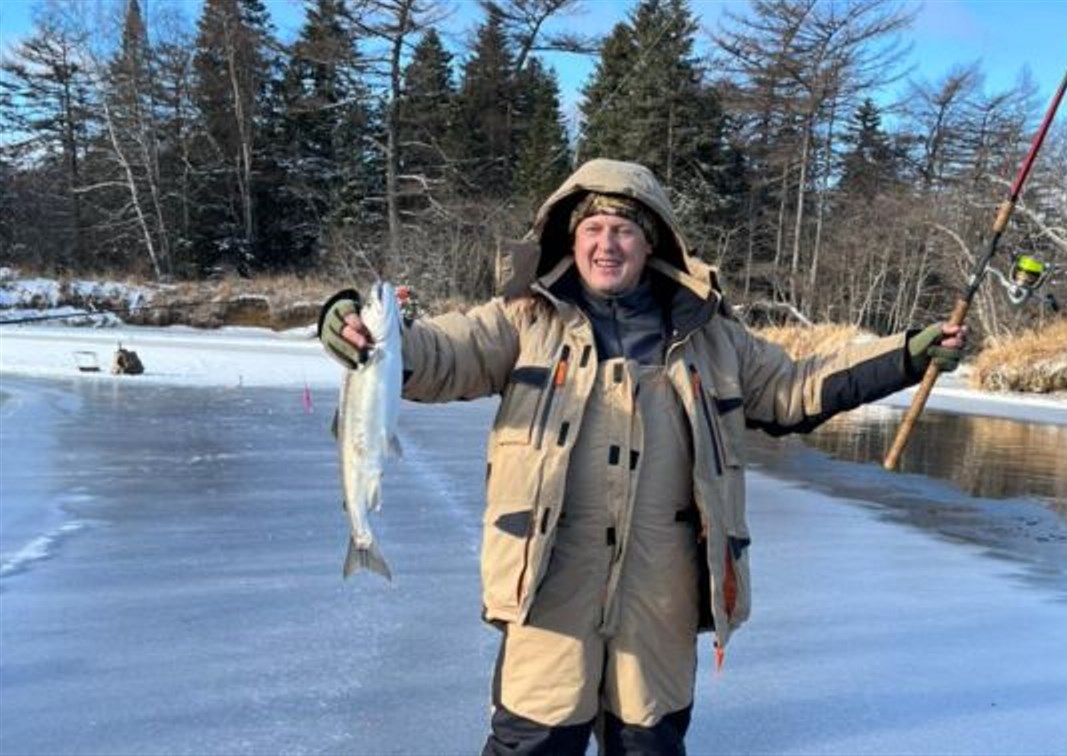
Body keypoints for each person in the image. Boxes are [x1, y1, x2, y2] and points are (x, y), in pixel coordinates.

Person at [318, 159, 966, 755]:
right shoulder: (524, 320)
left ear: (650, 241)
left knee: (649, 744)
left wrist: (906, 355)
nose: (607, 243)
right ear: (571, 240)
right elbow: (437, 355)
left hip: (660, 596)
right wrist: (359, 330)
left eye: (623, 229)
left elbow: (797, 389)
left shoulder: (711, 338)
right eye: (593, 227)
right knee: (531, 744)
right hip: (551, 590)